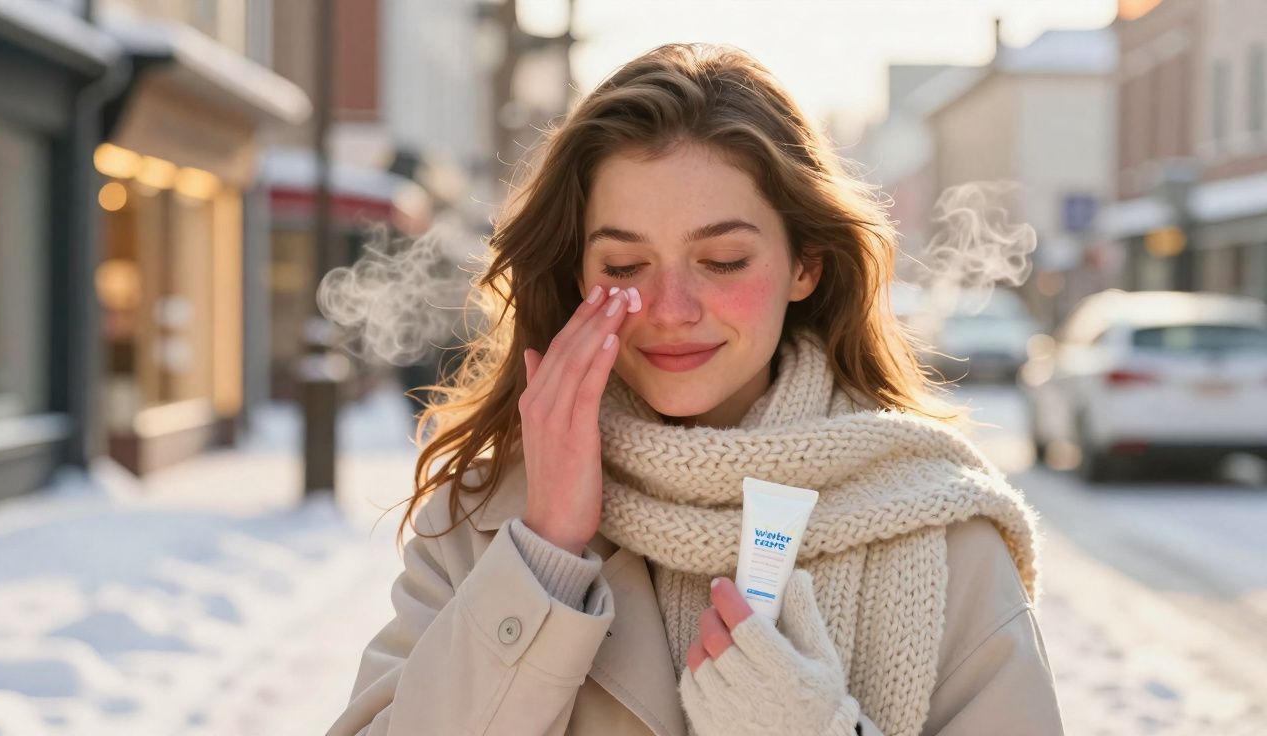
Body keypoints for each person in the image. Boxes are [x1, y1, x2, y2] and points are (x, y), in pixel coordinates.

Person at [325, 42, 1063, 736]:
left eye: (722, 259)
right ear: (579, 277)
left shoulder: (939, 532)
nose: (671, 310)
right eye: (623, 268)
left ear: (805, 263)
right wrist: (545, 552)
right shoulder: (485, 523)